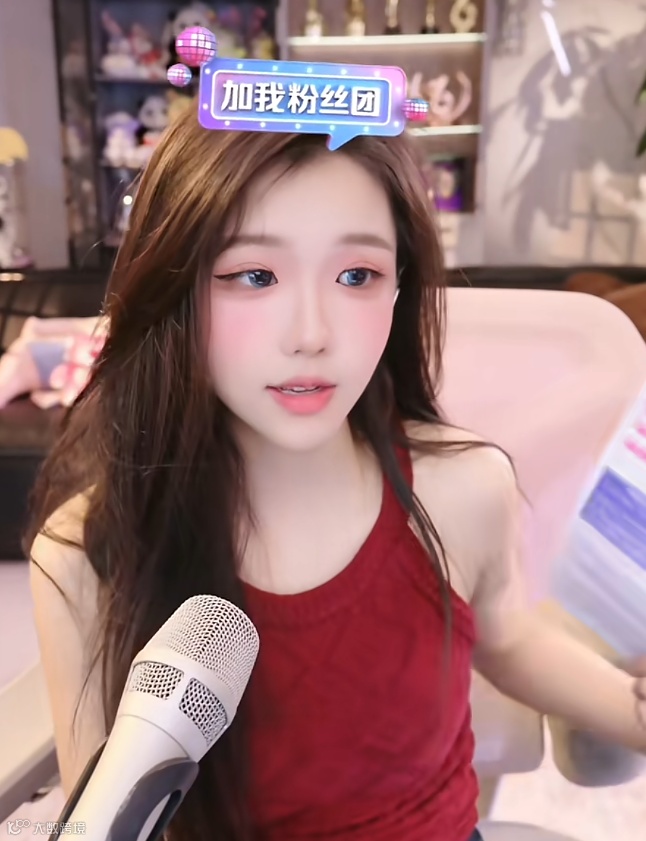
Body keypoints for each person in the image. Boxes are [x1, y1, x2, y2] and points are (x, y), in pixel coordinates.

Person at [25, 103, 645, 841]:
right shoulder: (86, 555)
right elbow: (103, 808)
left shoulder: (465, 490)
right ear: (176, 287)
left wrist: (630, 709)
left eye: (357, 274)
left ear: (399, 289)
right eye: (255, 274)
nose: (312, 334)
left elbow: (508, 640)